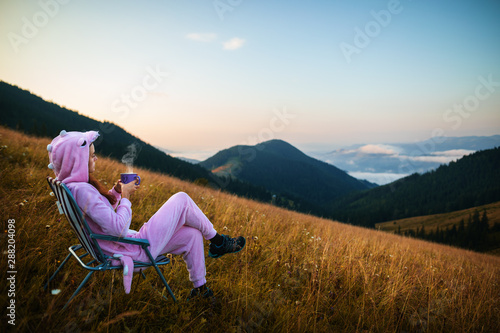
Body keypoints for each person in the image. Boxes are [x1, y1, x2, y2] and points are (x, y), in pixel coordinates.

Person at [47, 130, 245, 299]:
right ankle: (218, 242)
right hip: (134, 250)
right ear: (77, 161)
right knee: (182, 199)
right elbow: (117, 228)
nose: (95, 158)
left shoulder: (75, 187)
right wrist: (125, 196)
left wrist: (115, 192)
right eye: (91, 155)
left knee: (192, 235)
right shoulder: (83, 190)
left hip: (120, 245)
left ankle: (200, 290)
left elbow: (103, 219)